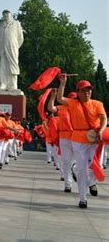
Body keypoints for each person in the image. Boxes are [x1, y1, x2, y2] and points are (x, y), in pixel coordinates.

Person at [56, 76, 107, 208]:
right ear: (78, 92)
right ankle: (82, 198)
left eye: (89, 90)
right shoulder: (73, 103)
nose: (87, 93)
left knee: (97, 166)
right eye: (84, 90)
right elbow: (59, 99)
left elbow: (104, 118)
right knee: (82, 170)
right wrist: (62, 84)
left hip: (94, 138)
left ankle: (92, 183)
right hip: (78, 140)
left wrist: (101, 130)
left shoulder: (97, 104)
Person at [0, 10, 24, 90]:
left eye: (7, 13)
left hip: (12, 49)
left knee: (13, 66)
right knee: (2, 67)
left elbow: (20, 38)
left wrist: (14, 46)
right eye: (4, 13)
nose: (6, 14)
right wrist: (1, 45)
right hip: (1, 49)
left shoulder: (16, 24)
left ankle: (13, 85)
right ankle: (2, 84)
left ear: (11, 14)